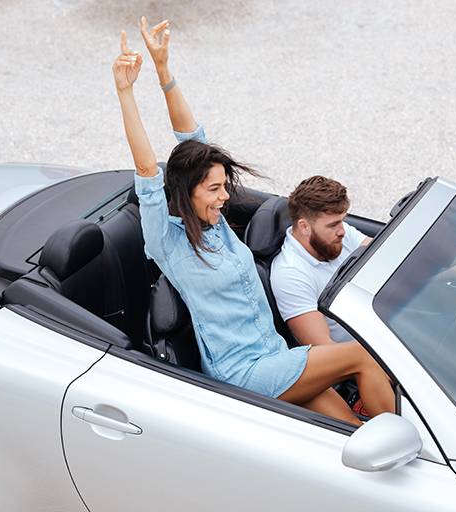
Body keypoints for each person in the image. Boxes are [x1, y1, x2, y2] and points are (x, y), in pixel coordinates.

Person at [112, 17, 394, 425]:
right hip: (243, 373)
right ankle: (410, 451)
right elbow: (146, 169)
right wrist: (125, 90)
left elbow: (192, 135)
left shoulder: (217, 224)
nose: (224, 196)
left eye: (224, 186)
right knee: (363, 355)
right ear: (186, 191)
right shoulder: (167, 241)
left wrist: (163, 71)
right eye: (213, 189)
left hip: (277, 358)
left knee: (350, 430)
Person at [271, 175, 456, 348]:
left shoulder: (337, 233)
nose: (342, 230)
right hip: (368, 350)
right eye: (333, 225)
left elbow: (393, 266)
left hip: (387, 321)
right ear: (303, 226)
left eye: (343, 221)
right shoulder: (290, 275)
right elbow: (326, 350)